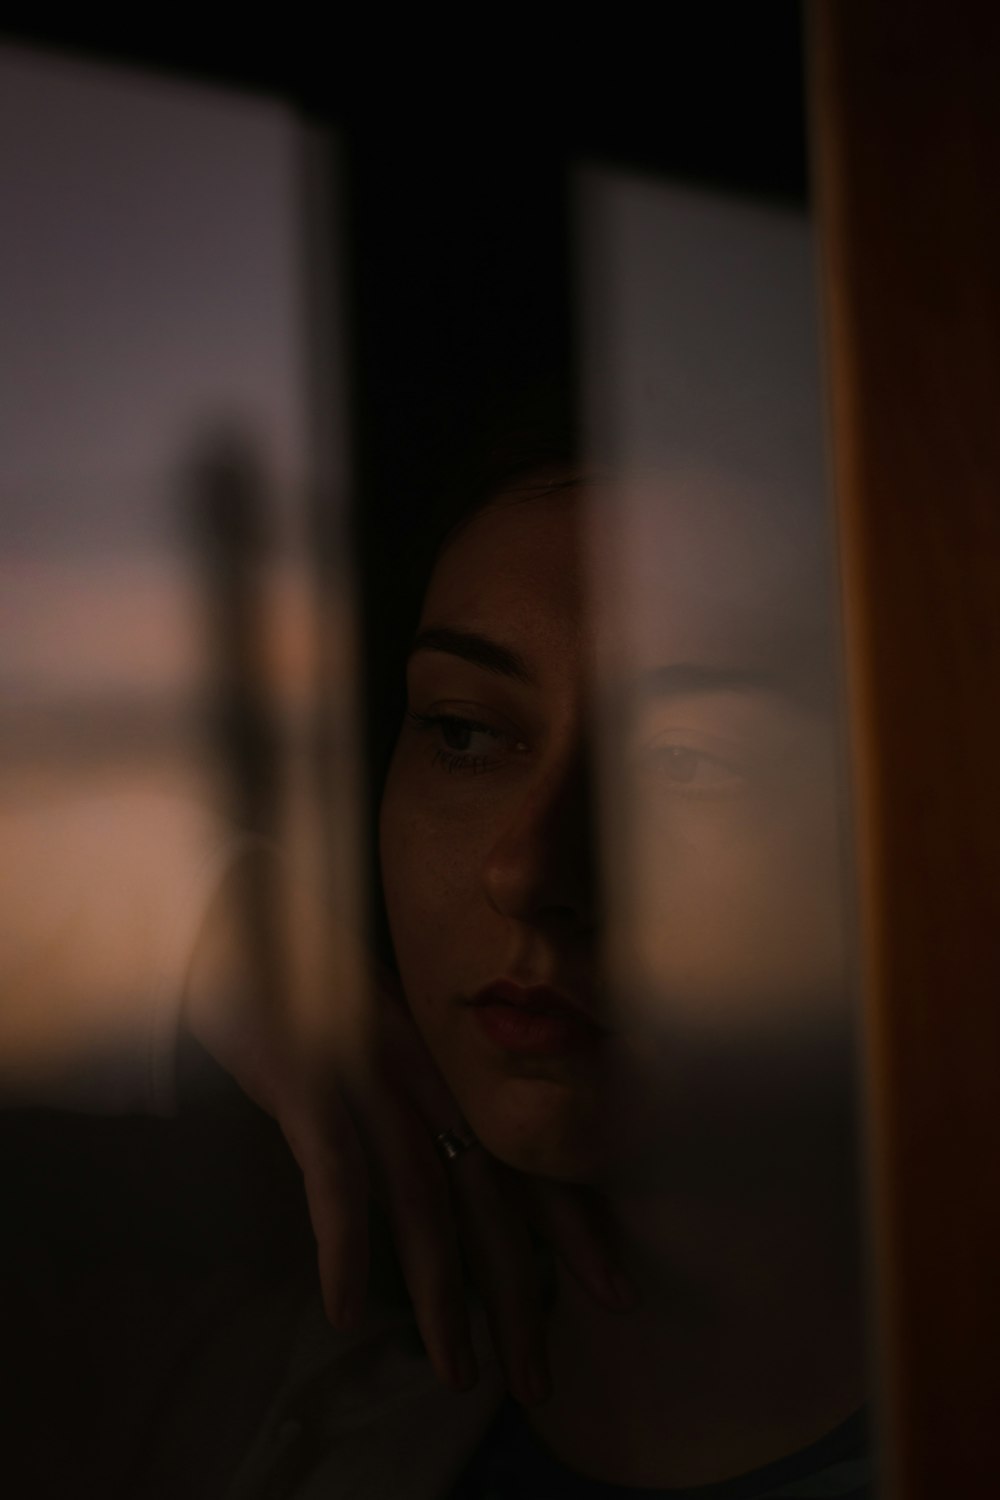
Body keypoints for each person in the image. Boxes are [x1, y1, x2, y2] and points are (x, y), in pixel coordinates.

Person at [2, 426, 873, 1498]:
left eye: (693, 761)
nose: (522, 865)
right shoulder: (251, 1403)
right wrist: (187, 922)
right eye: (462, 732)